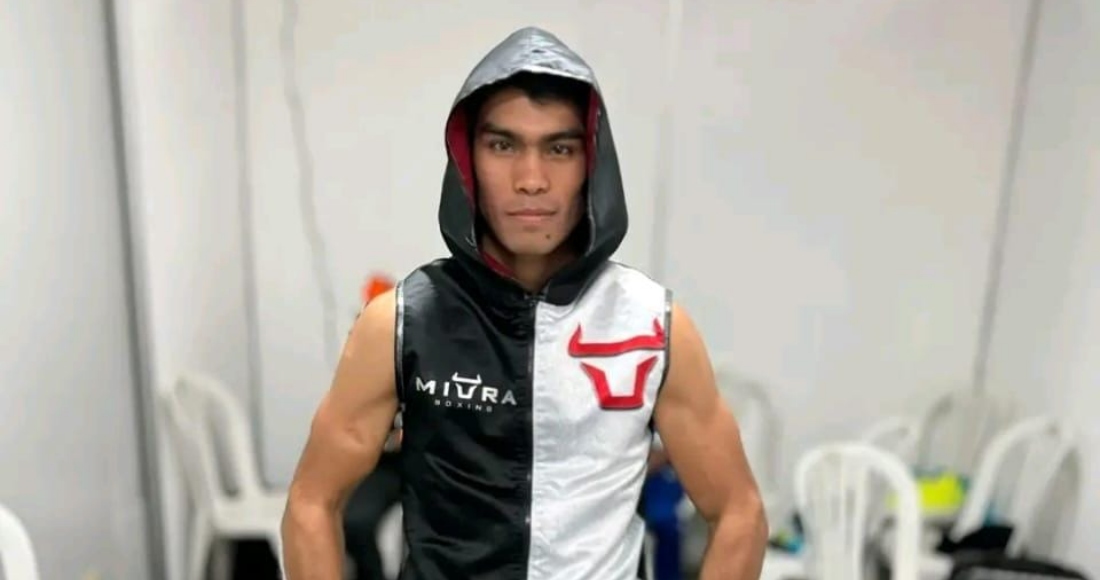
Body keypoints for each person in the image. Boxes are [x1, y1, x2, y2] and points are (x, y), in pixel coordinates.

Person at [281, 27, 768, 580]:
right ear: (468, 158)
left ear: (592, 162)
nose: (531, 180)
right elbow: (311, 503)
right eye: (503, 145)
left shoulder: (653, 326)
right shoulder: (400, 323)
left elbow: (740, 513)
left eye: (559, 149)